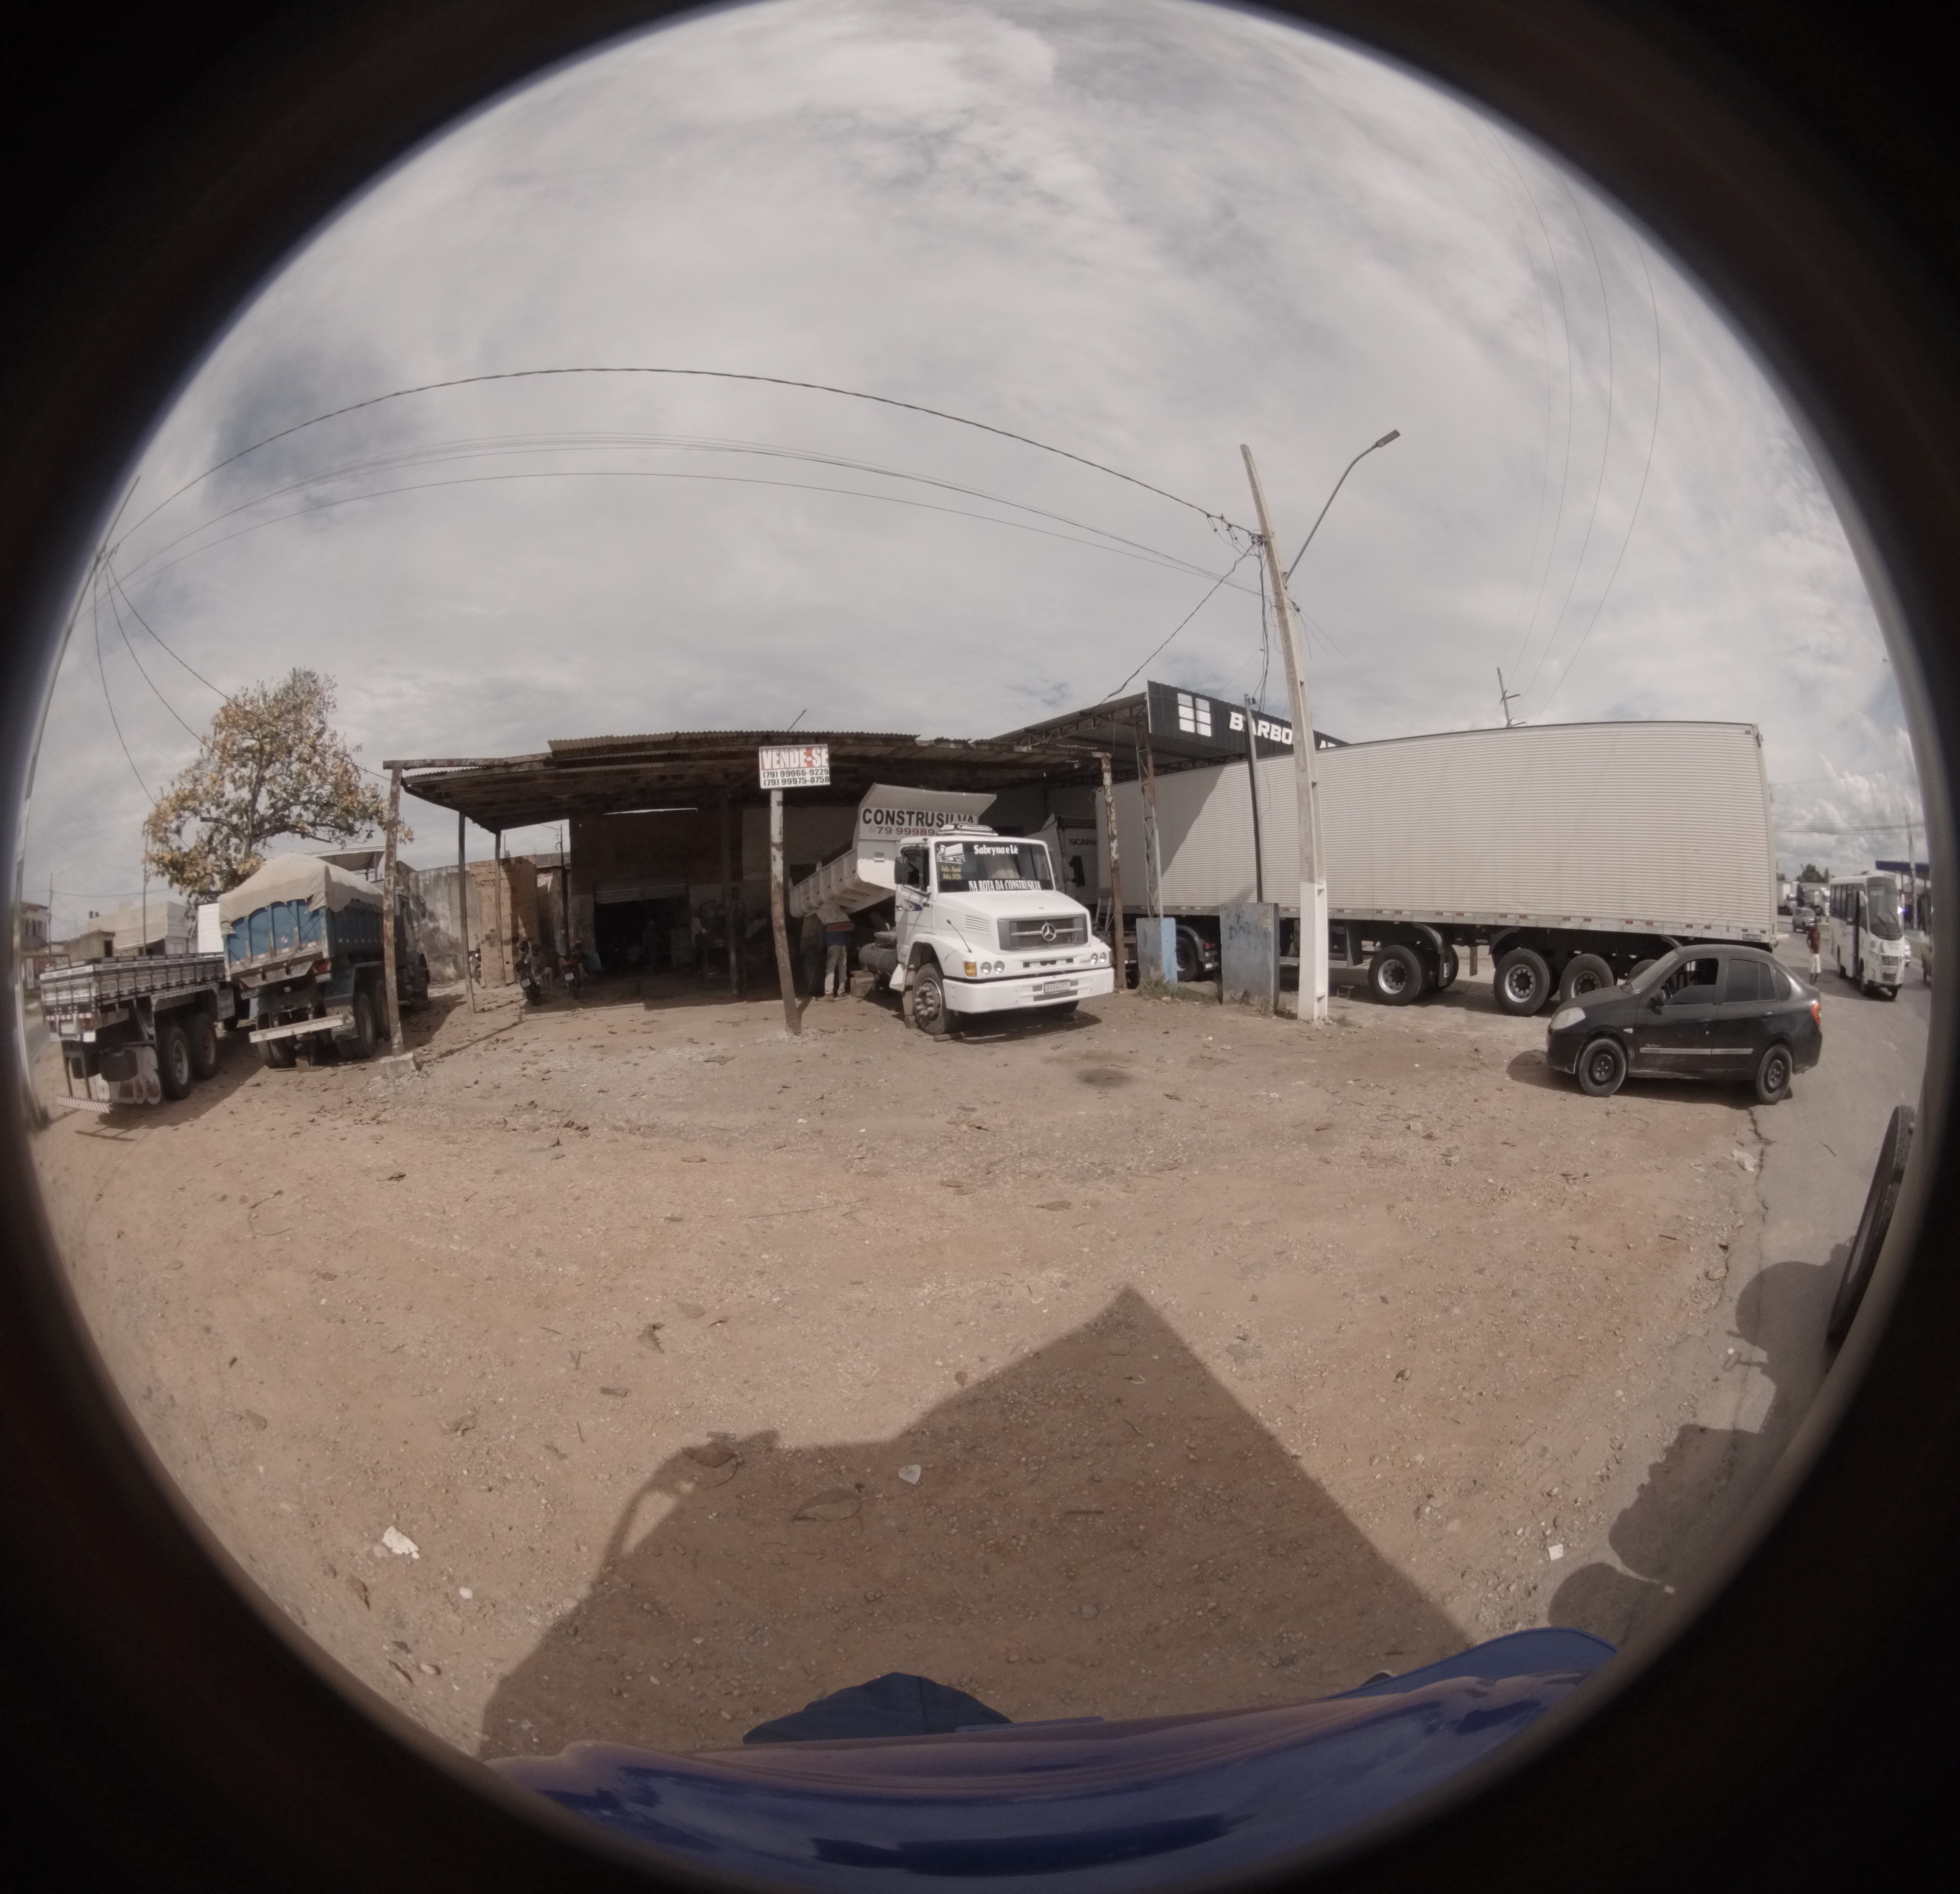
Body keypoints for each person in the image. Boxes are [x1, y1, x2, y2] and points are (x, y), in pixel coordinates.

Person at [819, 900, 853, 996]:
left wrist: (820, 949)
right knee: (842, 970)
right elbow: (848, 939)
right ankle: (841, 992)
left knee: (830, 970)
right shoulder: (842, 923)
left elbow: (822, 941)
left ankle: (829, 993)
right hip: (843, 947)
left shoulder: (826, 925)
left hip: (833, 947)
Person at [799, 906, 823, 998]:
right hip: (814, 949)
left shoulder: (808, 918)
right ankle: (814, 990)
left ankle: (813, 990)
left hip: (810, 949)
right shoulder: (817, 916)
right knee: (815, 971)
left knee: (811, 971)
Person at [1807, 914, 1822, 979]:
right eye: (1816, 923)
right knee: (1812, 971)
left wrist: (1819, 947)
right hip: (1813, 953)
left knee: (1818, 971)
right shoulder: (1811, 931)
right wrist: (1810, 948)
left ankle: (1813, 983)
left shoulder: (1818, 931)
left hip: (1817, 953)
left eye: (1817, 923)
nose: (1816, 924)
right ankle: (1811, 983)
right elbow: (1807, 940)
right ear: (1814, 923)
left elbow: (1819, 939)